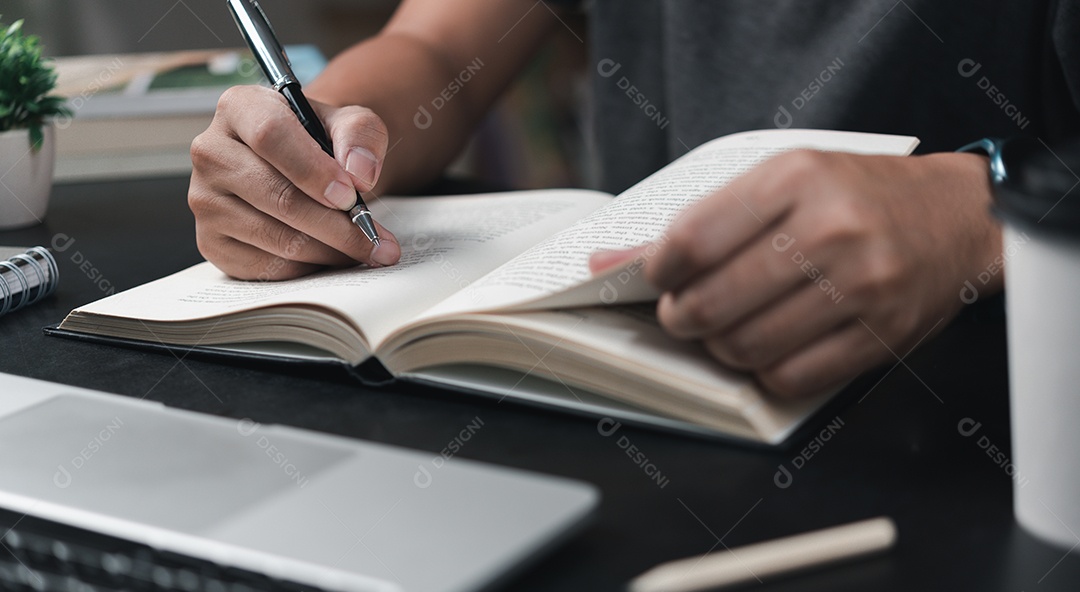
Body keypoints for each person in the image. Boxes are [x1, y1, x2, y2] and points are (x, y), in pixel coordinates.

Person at [188, 0, 1080, 398]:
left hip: (994, 429)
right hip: (630, 383)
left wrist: (979, 211)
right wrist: (314, 138)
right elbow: (433, 51)